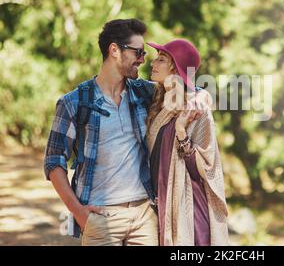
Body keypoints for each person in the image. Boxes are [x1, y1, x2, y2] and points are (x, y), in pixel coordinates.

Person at [44, 18, 188, 246]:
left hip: (144, 216)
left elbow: (182, 87)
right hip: (101, 218)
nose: (142, 60)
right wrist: (79, 212)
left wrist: (201, 93)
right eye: (138, 53)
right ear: (114, 50)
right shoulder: (74, 103)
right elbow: (53, 162)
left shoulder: (145, 94)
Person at [146, 39, 229, 246]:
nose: (153, 63)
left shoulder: (197, 112)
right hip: (160, 205)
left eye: (162, 59)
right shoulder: (158, 101)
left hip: (189, 211)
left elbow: (203, 169)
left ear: (176, 68)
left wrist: (181, 131)